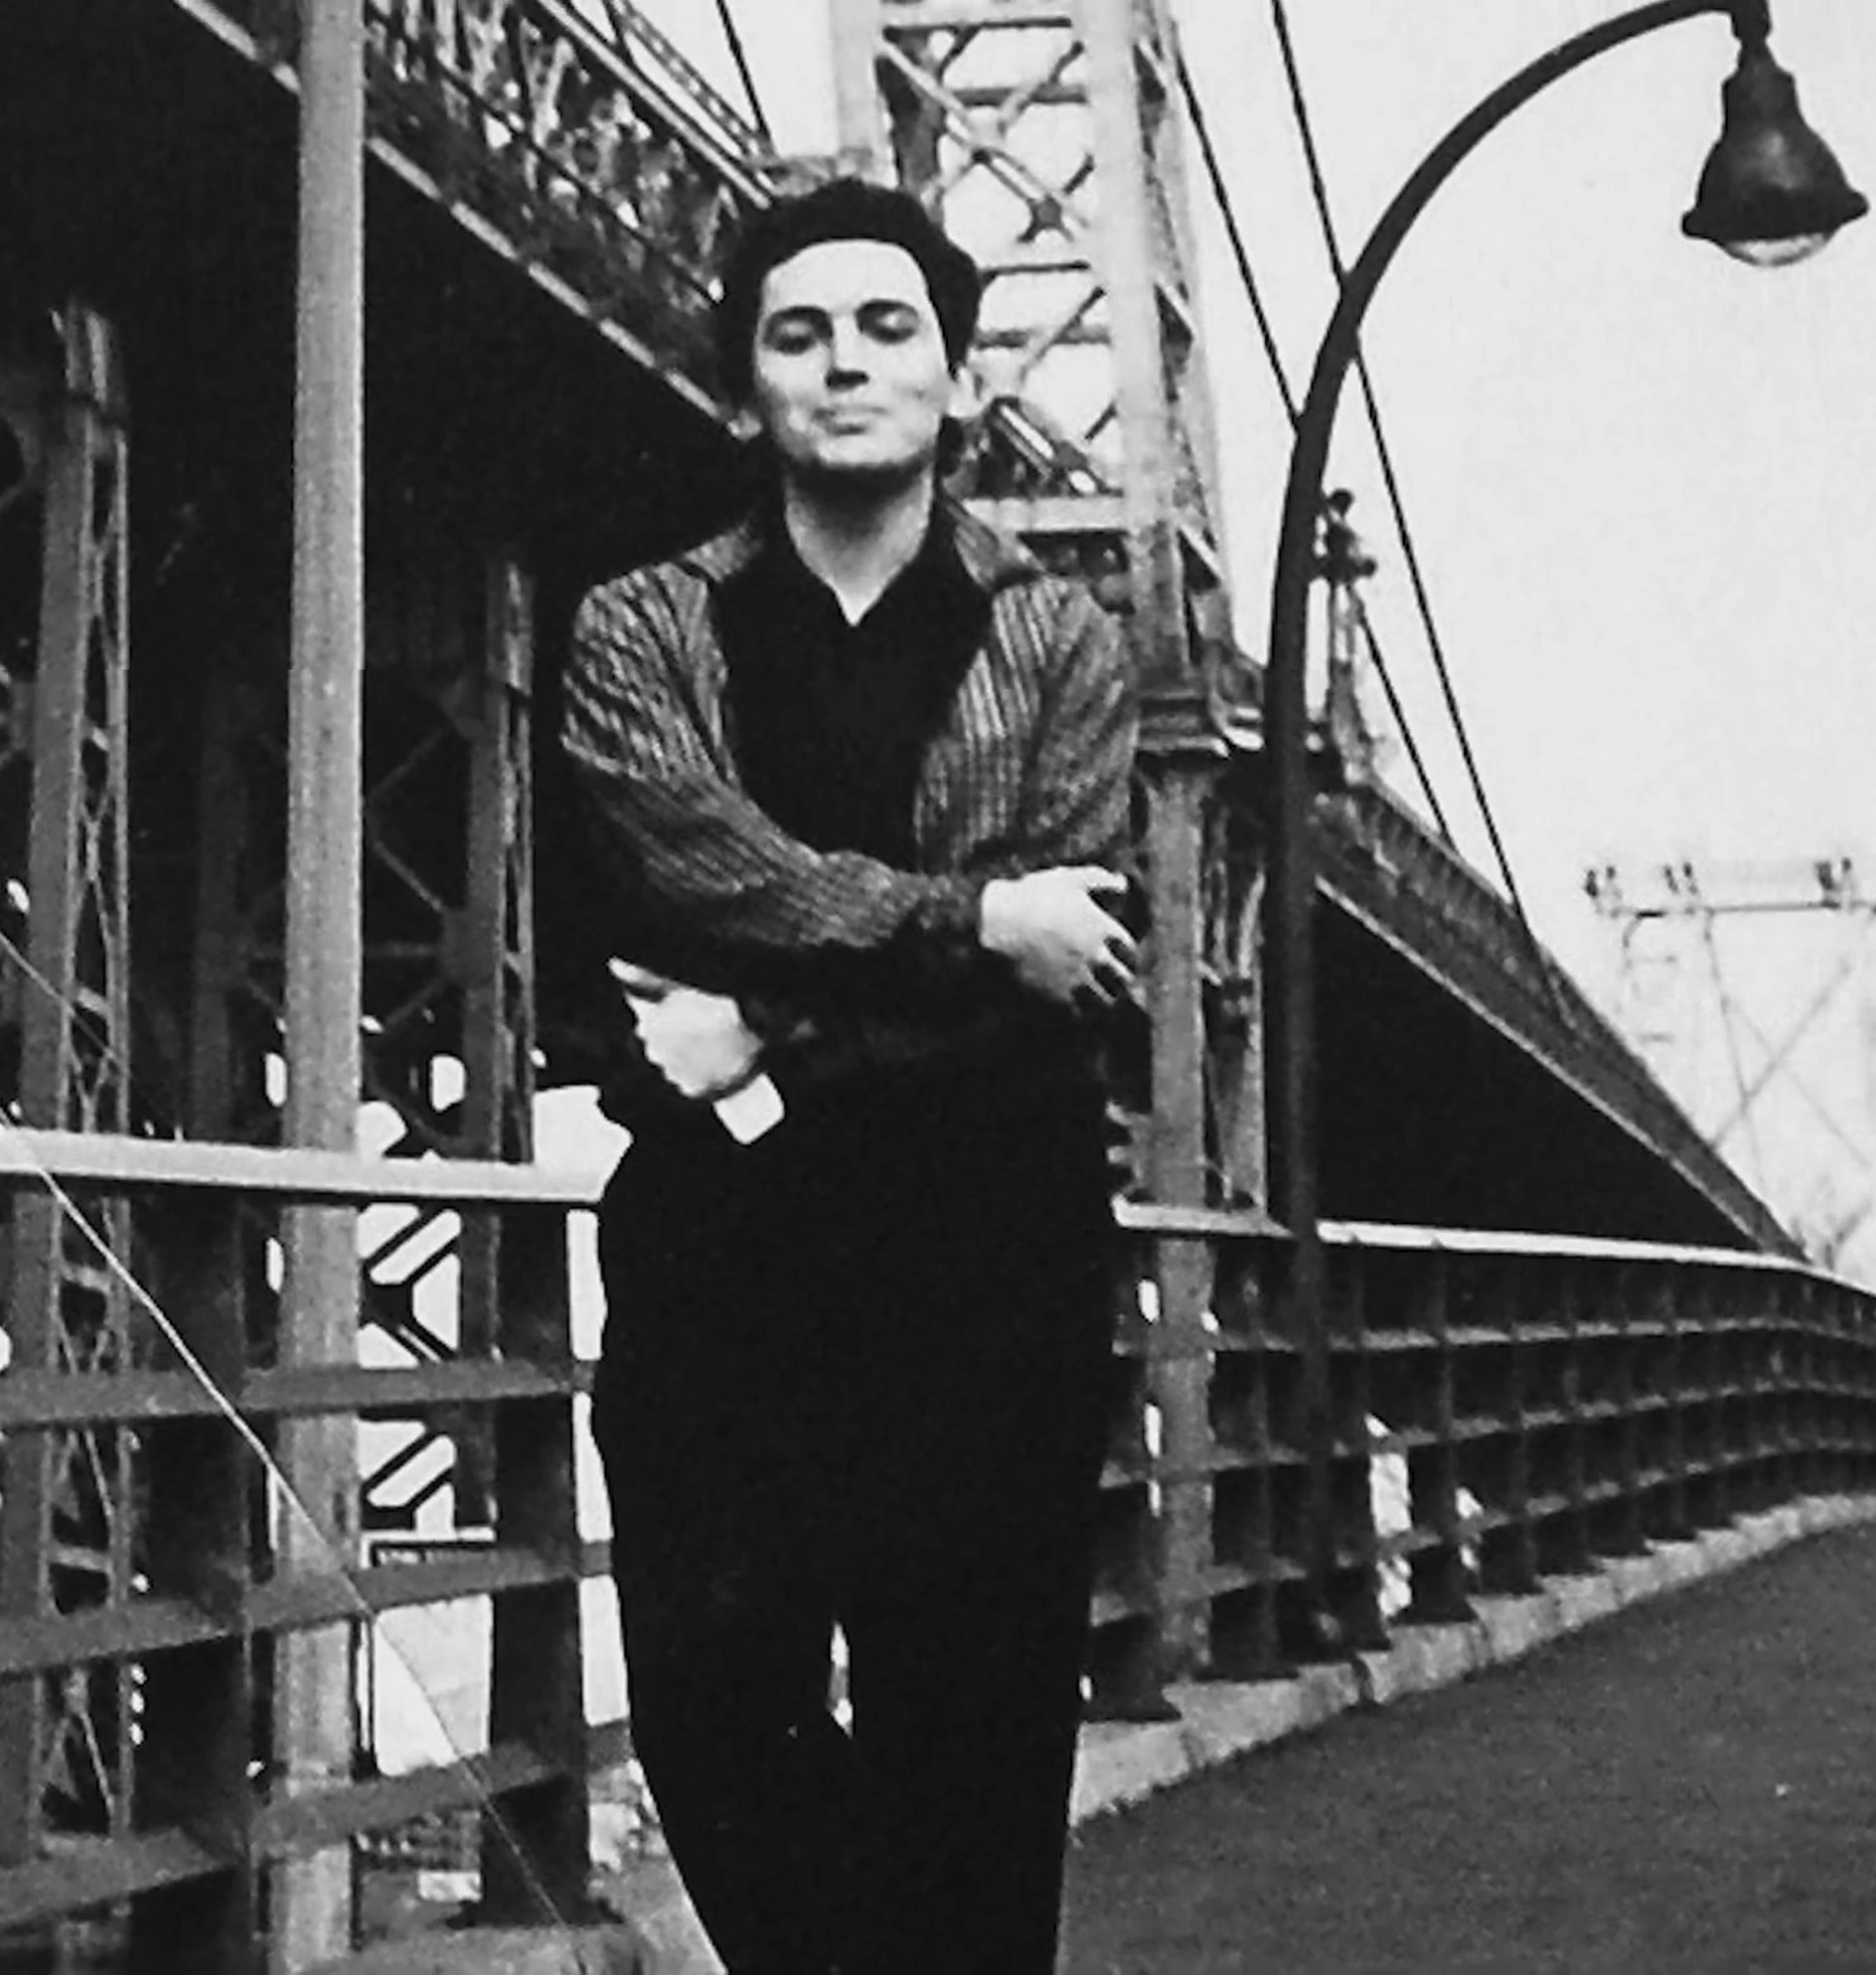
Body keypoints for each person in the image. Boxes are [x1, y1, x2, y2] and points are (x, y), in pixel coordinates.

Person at [561, 177, 1139, 1975]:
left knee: (973, 1747)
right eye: (796, 333)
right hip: (722, 1256)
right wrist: (972, 921)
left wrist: (770, 1030)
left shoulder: (1066, 643)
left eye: (890, 328)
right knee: (711, 1712)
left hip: (991, 1255)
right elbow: (693, 869)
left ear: (959, 379)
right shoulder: (638, 629)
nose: (844, 363)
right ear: (744, 392)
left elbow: (1070, 978)